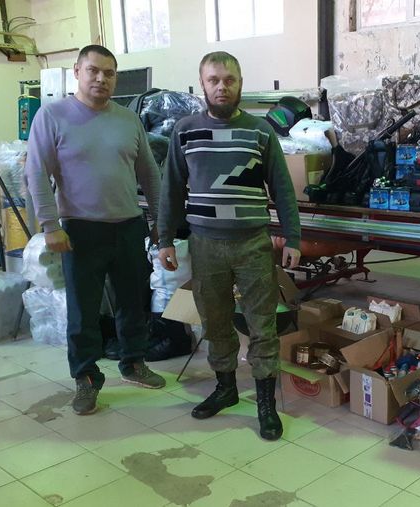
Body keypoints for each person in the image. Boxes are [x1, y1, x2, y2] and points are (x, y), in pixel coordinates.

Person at [157, 51, 301, 441]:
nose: (222, 87)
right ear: (202, 84)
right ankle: (226, 389)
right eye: (214, 80)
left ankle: (266, 404)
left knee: (262, 325)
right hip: (205, 245)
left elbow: (283, 189)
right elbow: (171, 189)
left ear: (240, 83)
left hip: (253, 244)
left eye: (229, 80)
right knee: (215, 321)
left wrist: (293, 237)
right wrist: (164, 239)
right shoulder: (185, 131)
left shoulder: (260, 131)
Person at [25, 44, 166, 416]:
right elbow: (36, 173)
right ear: (77, 72)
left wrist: (159, 221)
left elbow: (149, 173)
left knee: (133, 302)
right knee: (84, 311)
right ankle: (86, 378)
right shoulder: (52, 116)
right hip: (80, 231)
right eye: (93, 70)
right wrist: (50, 226)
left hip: (129, 226)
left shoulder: (128, 119)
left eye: (109, 73)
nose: (101, 78)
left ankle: (133, 362)